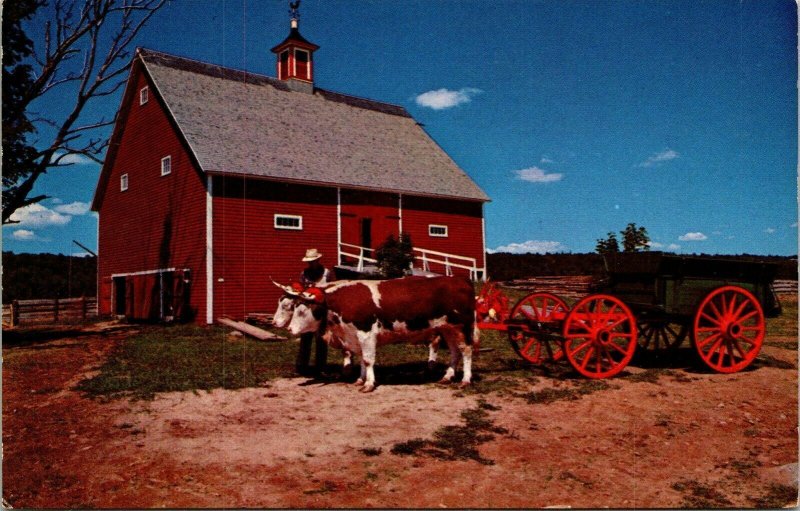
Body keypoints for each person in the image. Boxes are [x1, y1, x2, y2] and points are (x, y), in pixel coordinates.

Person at [296, 248, 334, 377]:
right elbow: (300, 289)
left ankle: (321, 368)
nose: (311, 264)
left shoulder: (327, 273)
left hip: (322, 309)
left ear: (318, 260)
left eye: (313, 261)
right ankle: (302, 367)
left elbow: (333, 289)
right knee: (305, 337)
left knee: (321, 339)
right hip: (308, 309)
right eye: (309, 262)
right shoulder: (304, 273)